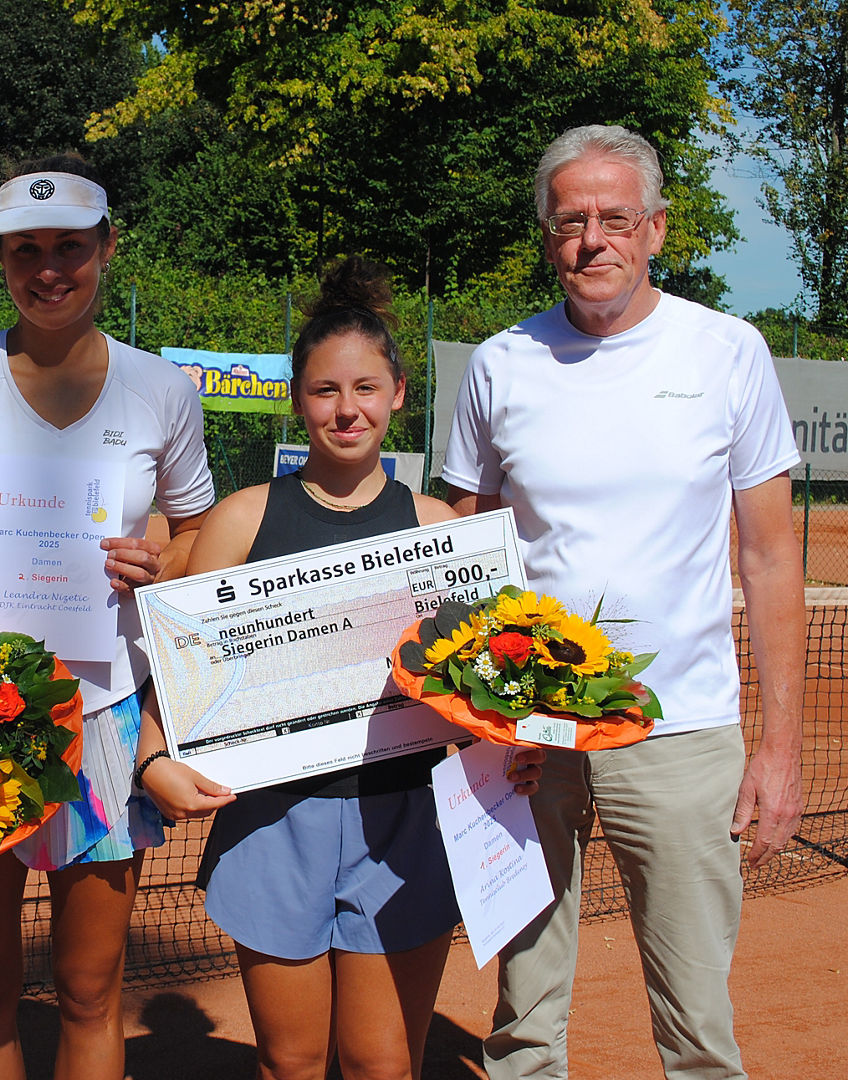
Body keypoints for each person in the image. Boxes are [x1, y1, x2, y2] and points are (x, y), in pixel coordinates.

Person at [442, 124, 805, 1079]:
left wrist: (778, 751)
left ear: (655, 230)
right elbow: (465, 553)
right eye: (570, 222)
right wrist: (478, 723)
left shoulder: (728, 351)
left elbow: (771, 561)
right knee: (524, 1019)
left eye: (615, 218)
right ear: (548, 237)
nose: (591, 240)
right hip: (525, 734)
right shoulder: (499, 363)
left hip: (681, 734)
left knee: (698, 1029)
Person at [135, 256, 543, 1080]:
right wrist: (152, 762)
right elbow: (182, 674)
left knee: (383, 1065)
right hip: (273, 819)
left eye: (365, 389)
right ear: (298, 400)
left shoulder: (439, 528)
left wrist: (516, 747)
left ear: (398, 394)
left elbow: (489, 687)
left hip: (406, 822)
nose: (346, 409)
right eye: (325, 390)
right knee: (291, 1063)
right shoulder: (241, 518)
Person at [0, 154, 216, 1080]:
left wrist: (162, 561)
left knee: (88, 991)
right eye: (24, 248)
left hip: (107, 720)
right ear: (0, 258)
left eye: (69, 246)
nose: (47, 267)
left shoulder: (163, 389)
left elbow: (199, 534)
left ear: (107, 248)